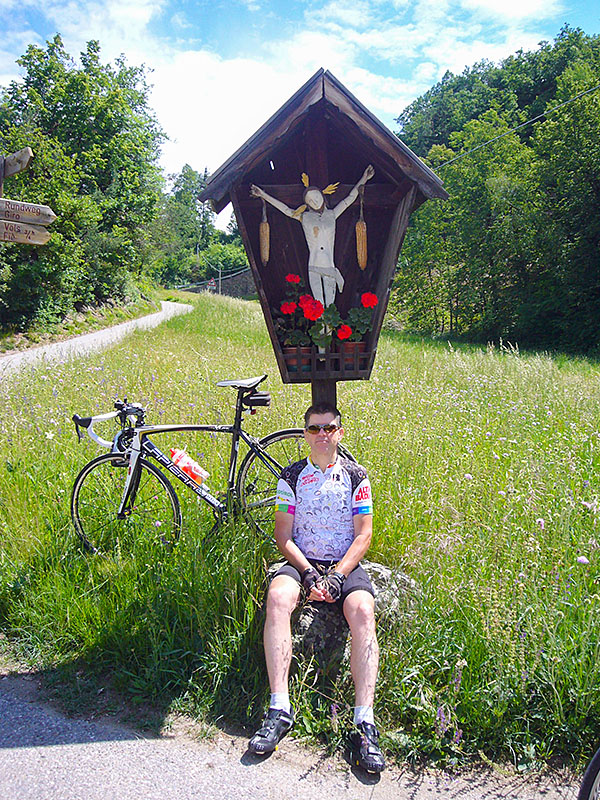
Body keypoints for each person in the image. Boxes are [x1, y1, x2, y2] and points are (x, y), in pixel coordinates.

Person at [248, 402, 385, 773]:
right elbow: (282, 535)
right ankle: (279, 707)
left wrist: (338, 576)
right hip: (302, 560)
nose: (322, 435)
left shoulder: (357, 475)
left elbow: (364, 535)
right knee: (278, 598)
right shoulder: (290, 476)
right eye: (314, 429)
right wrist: (308, 574)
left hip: (344, 561)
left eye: (329, 428)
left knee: (362, 610)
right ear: (305, 433)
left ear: (340, 433)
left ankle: (364, 721)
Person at [250, 165, 375, 309]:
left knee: (330, 304)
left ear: (322, 195)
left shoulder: (332, 214)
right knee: (319, 304)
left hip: (329, 266)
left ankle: (329, 331)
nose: (314, 201)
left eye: (316, 197)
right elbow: (286, 210)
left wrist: (364, 178)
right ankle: (322, 330)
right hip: (313, 265)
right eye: (310, 200)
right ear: (306, 204)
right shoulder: (305, 217)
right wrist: (263, 195)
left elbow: (350, 198)